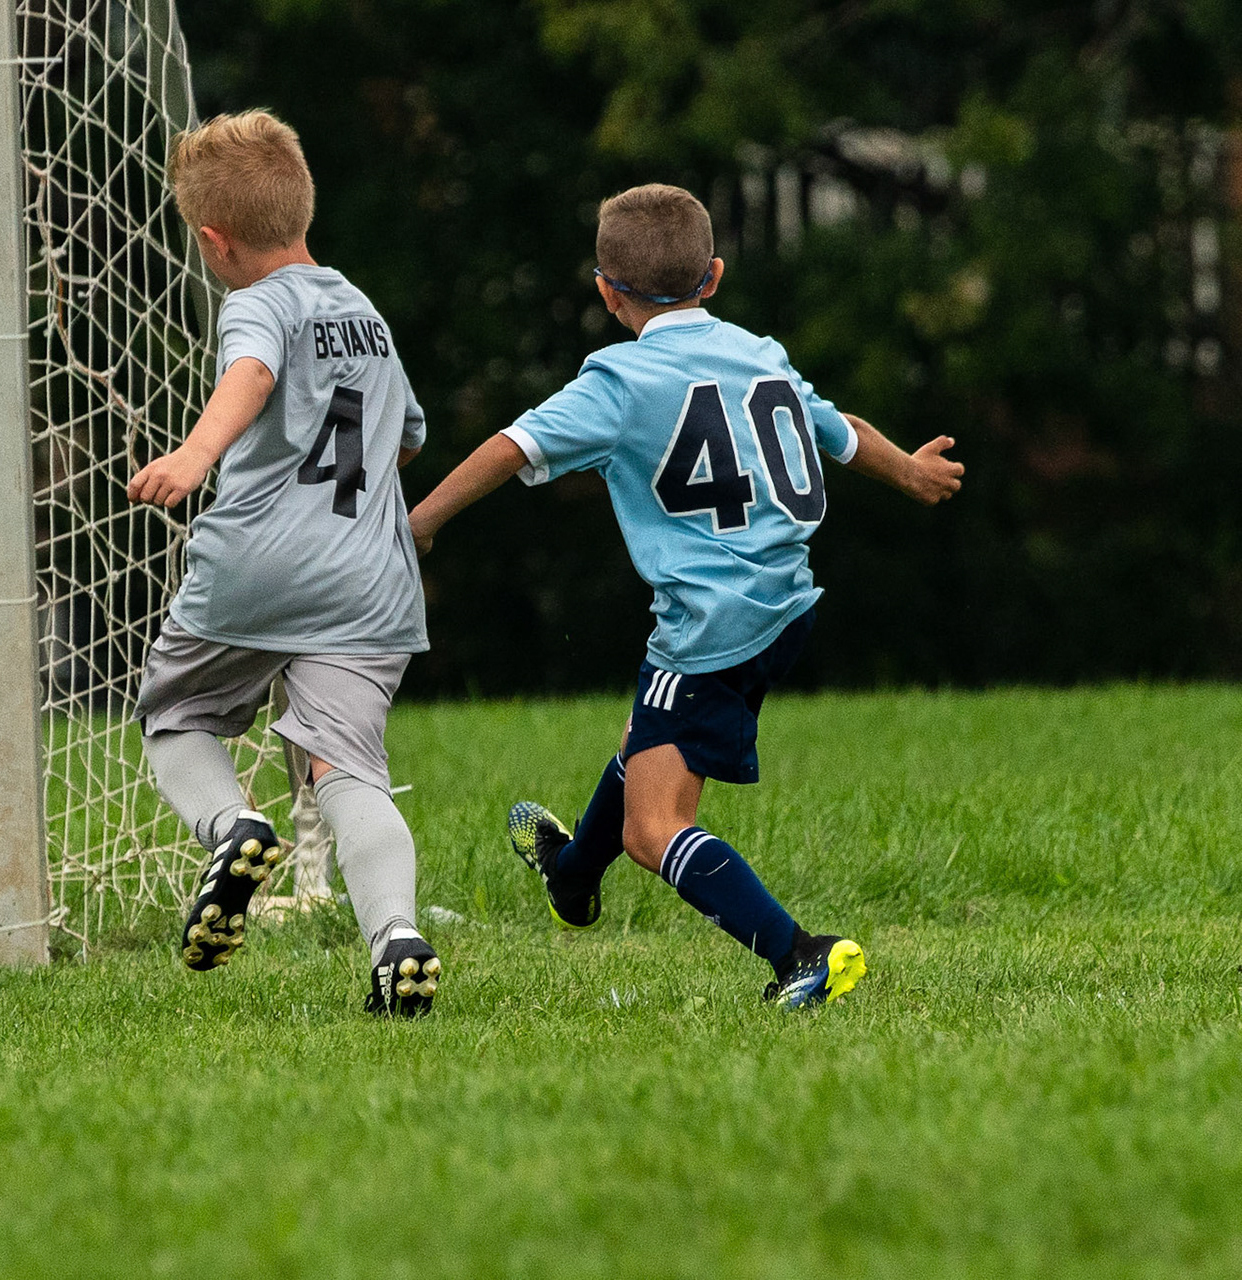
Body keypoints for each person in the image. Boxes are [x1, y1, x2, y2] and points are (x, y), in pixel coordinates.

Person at [409, 183, 964, 1008]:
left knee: (652, 826)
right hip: (785, 603)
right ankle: (569, 876)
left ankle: (799, 953)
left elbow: (510, 444)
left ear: (605, 290)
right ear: (714, 276)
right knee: (651, 731)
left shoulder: (620, 380)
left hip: (710, 626)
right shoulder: (759, 353)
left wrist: (418, 523)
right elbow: (837, 430)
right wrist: (912, 472)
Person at [126, 109, 439, 1016]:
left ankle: (233, 827)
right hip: (370, 582)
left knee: (178, 715)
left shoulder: (254, 303)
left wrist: (194, 457)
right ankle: (395, 936)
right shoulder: (364, 311)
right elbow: (406, 438)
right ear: (303, 211)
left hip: (259, 565)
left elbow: (252, 375)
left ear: (215, 241)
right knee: (347, 767)